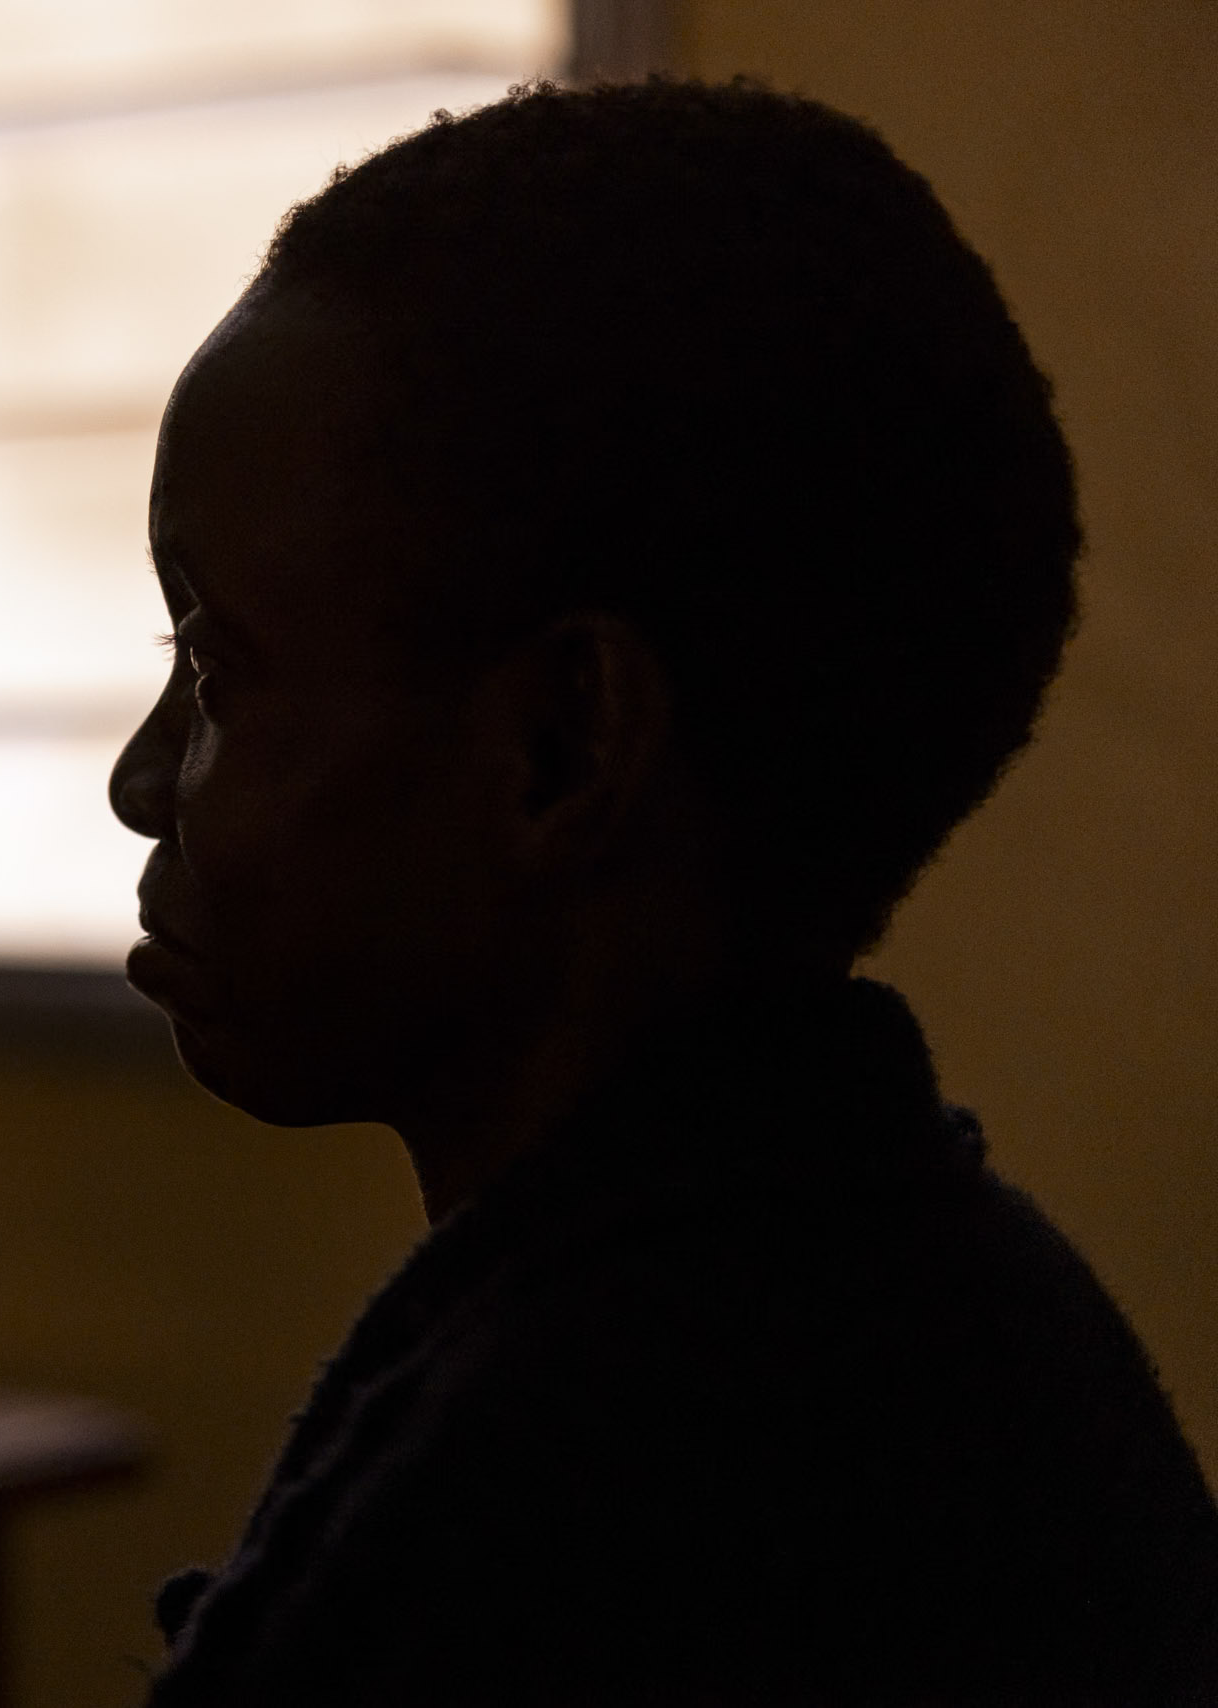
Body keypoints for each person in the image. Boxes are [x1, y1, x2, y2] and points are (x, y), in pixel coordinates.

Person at [109, 78, 1218, 1704]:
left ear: (563, 745)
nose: (143, 778)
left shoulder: (583, 1509)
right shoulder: (947, 1317)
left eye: (218, 662)